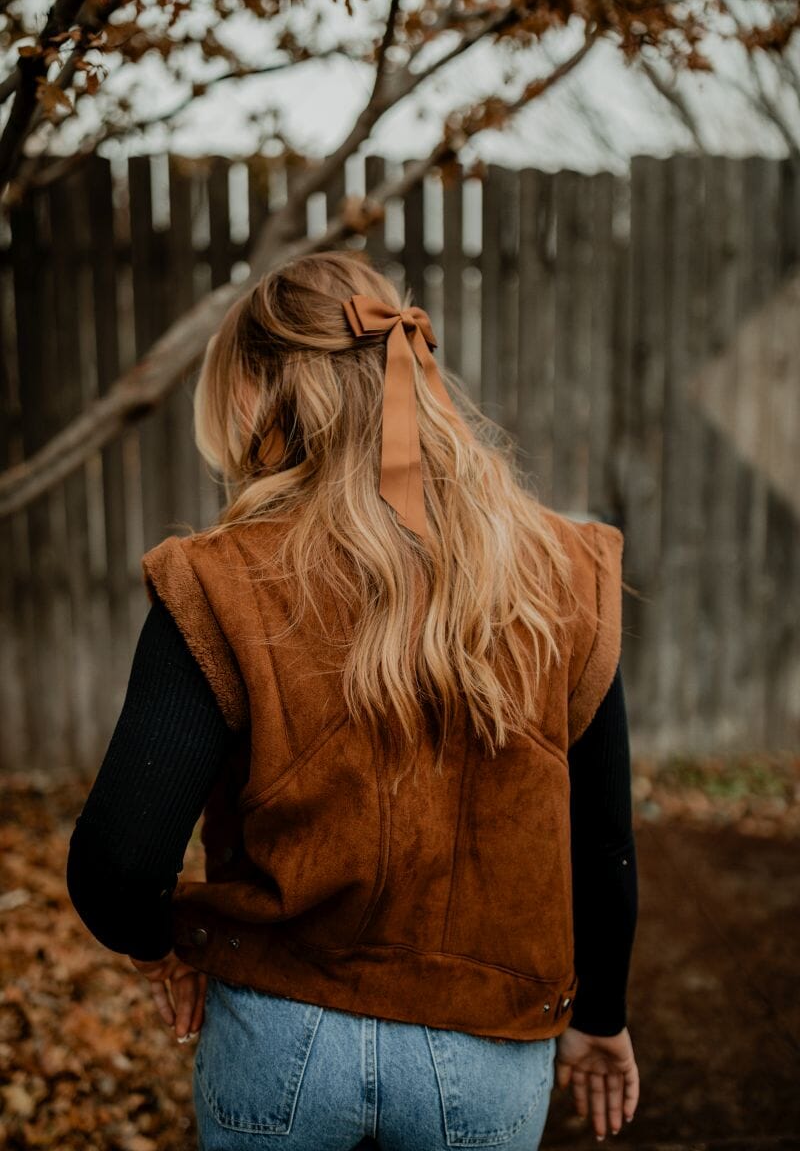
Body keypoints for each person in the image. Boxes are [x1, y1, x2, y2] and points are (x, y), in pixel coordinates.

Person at [67, 249, 640, 1150]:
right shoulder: (565, 574)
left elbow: (118, 863)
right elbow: (602, 839)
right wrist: (600, 1019)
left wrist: (165, 948)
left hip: (280, 1039)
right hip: (486, 1057)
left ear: (257, 390)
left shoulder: (221, 578)